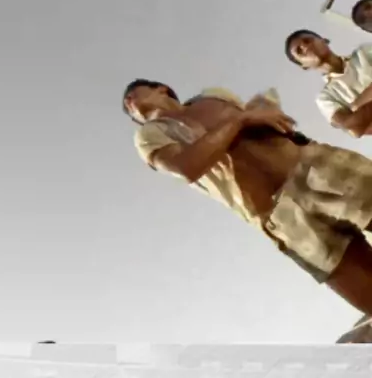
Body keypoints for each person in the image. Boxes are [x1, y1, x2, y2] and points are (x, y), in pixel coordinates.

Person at [122, 78, 372, 318]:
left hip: (318, 167)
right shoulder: (149, 134)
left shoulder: (213, 95)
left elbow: (265, 116)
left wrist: (264, 110)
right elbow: (187, 166)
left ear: (161, 89)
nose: (129, 101)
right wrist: (239, 120)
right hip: (280, 216)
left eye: (133, 93)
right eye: (127, 106)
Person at [285, 29, 372, 137]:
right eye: (299, 51)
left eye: (307, 40)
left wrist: (356, 105)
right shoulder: (325, 98)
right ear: (303, 66)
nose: (306, 47)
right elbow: (353, 128)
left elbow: (359, 123)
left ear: (324, 40)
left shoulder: (364, 52)